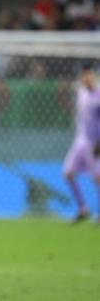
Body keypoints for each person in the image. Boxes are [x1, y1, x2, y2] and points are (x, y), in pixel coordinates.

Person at [63, 64, 100, 223]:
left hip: (95, 142)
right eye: (84, 76)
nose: (87, 78)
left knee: (98, 177)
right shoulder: (81, 93)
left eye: (90, 75)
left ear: (95, 76)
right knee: (69, 173)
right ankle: (83, 208)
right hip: (81, 141)